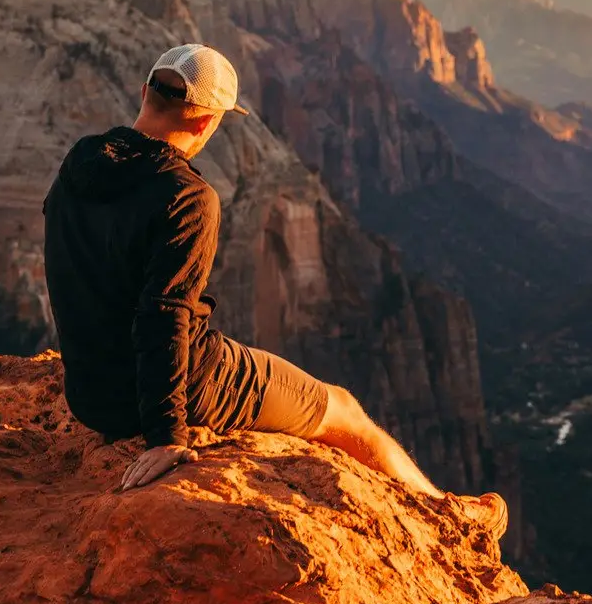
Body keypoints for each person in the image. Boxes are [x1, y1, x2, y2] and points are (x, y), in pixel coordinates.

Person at [42, 43, 505, 537]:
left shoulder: (81, 160)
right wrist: (164, 436)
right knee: (343, 409)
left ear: (143, 93)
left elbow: (63, 264)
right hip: (177, 390)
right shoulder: (188, 197)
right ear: (205, 123)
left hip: (90, 395)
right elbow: (166, 314)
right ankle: (452, 517)